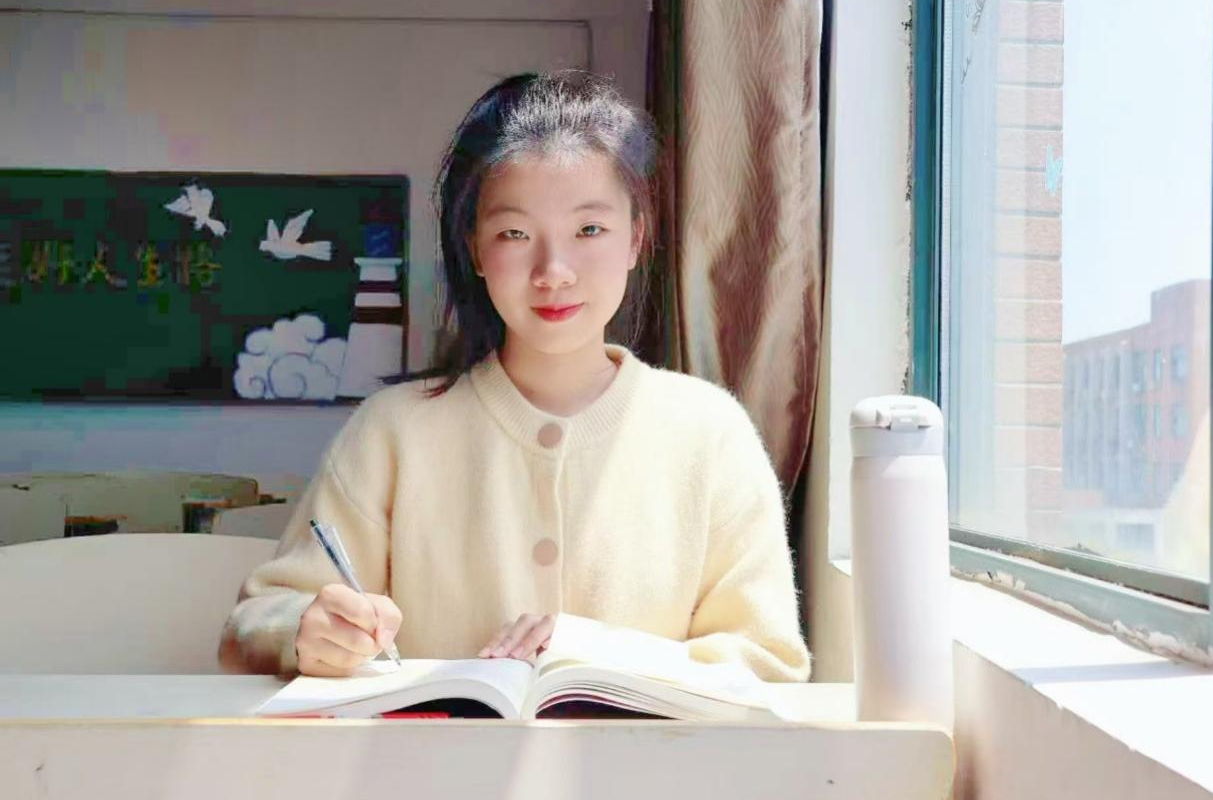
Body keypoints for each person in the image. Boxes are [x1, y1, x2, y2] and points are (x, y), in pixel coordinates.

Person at [218, 70, 811, 683]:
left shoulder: (710, 432)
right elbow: (253, 624)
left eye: (589, 230)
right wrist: (306, 630)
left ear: (636, 237)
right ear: (475, 248)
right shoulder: (394, 430)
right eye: (514, 234)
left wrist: (592, 649)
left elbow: (767, 663)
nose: (553, 271)